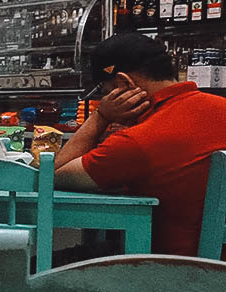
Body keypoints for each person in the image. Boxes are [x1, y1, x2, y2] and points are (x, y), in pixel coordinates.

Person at [54, 32, 226, 257]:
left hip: (171, 270)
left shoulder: (139, 141)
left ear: (124, 83)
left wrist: (101, 116)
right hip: (217, 268)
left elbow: (55, 174)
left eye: (107, 93)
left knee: (33, 267)